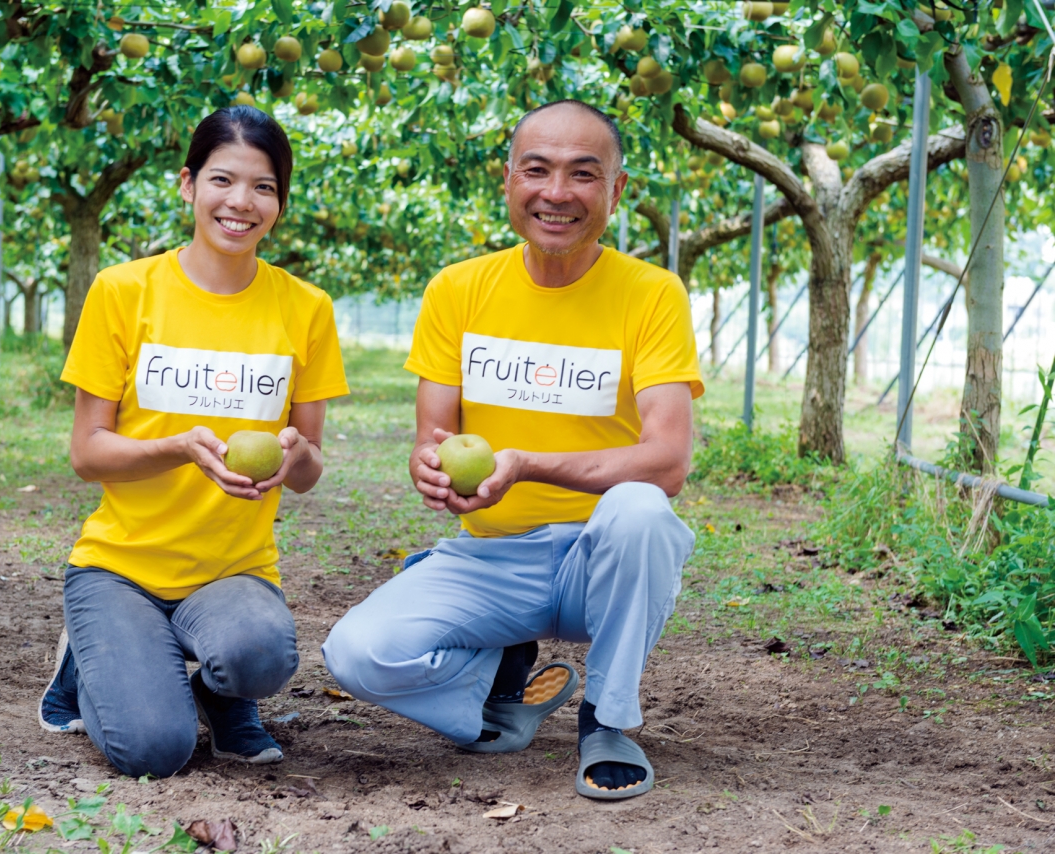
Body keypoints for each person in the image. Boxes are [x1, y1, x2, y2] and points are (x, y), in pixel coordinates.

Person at [322, 100, 702, 801]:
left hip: (603, 563)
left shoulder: (651, 295)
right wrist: (431, 471)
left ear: (615, 192)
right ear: (508, 182)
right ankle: (493, 683)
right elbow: (431, 442)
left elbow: (668, 460)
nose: (557, 193)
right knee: (355, 653)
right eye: (537, 170)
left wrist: (526, 463)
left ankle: (607, 721)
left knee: (642, 510)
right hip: (492, 560)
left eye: (583, 175)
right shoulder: (459, 290)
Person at [38, 107, 349, 778]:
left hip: (232, 572)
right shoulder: (124, 292)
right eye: (222, 180)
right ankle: (87, 660)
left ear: (280, 203)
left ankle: (220, 690)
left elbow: (309, 469)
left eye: (263, 187)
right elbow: (87, 452)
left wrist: (294, 454)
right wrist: (180, 447)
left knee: (261, 653)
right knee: (154, 750)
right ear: (188, 185)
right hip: (119, 567)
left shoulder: (306, 308)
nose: (241, 202)